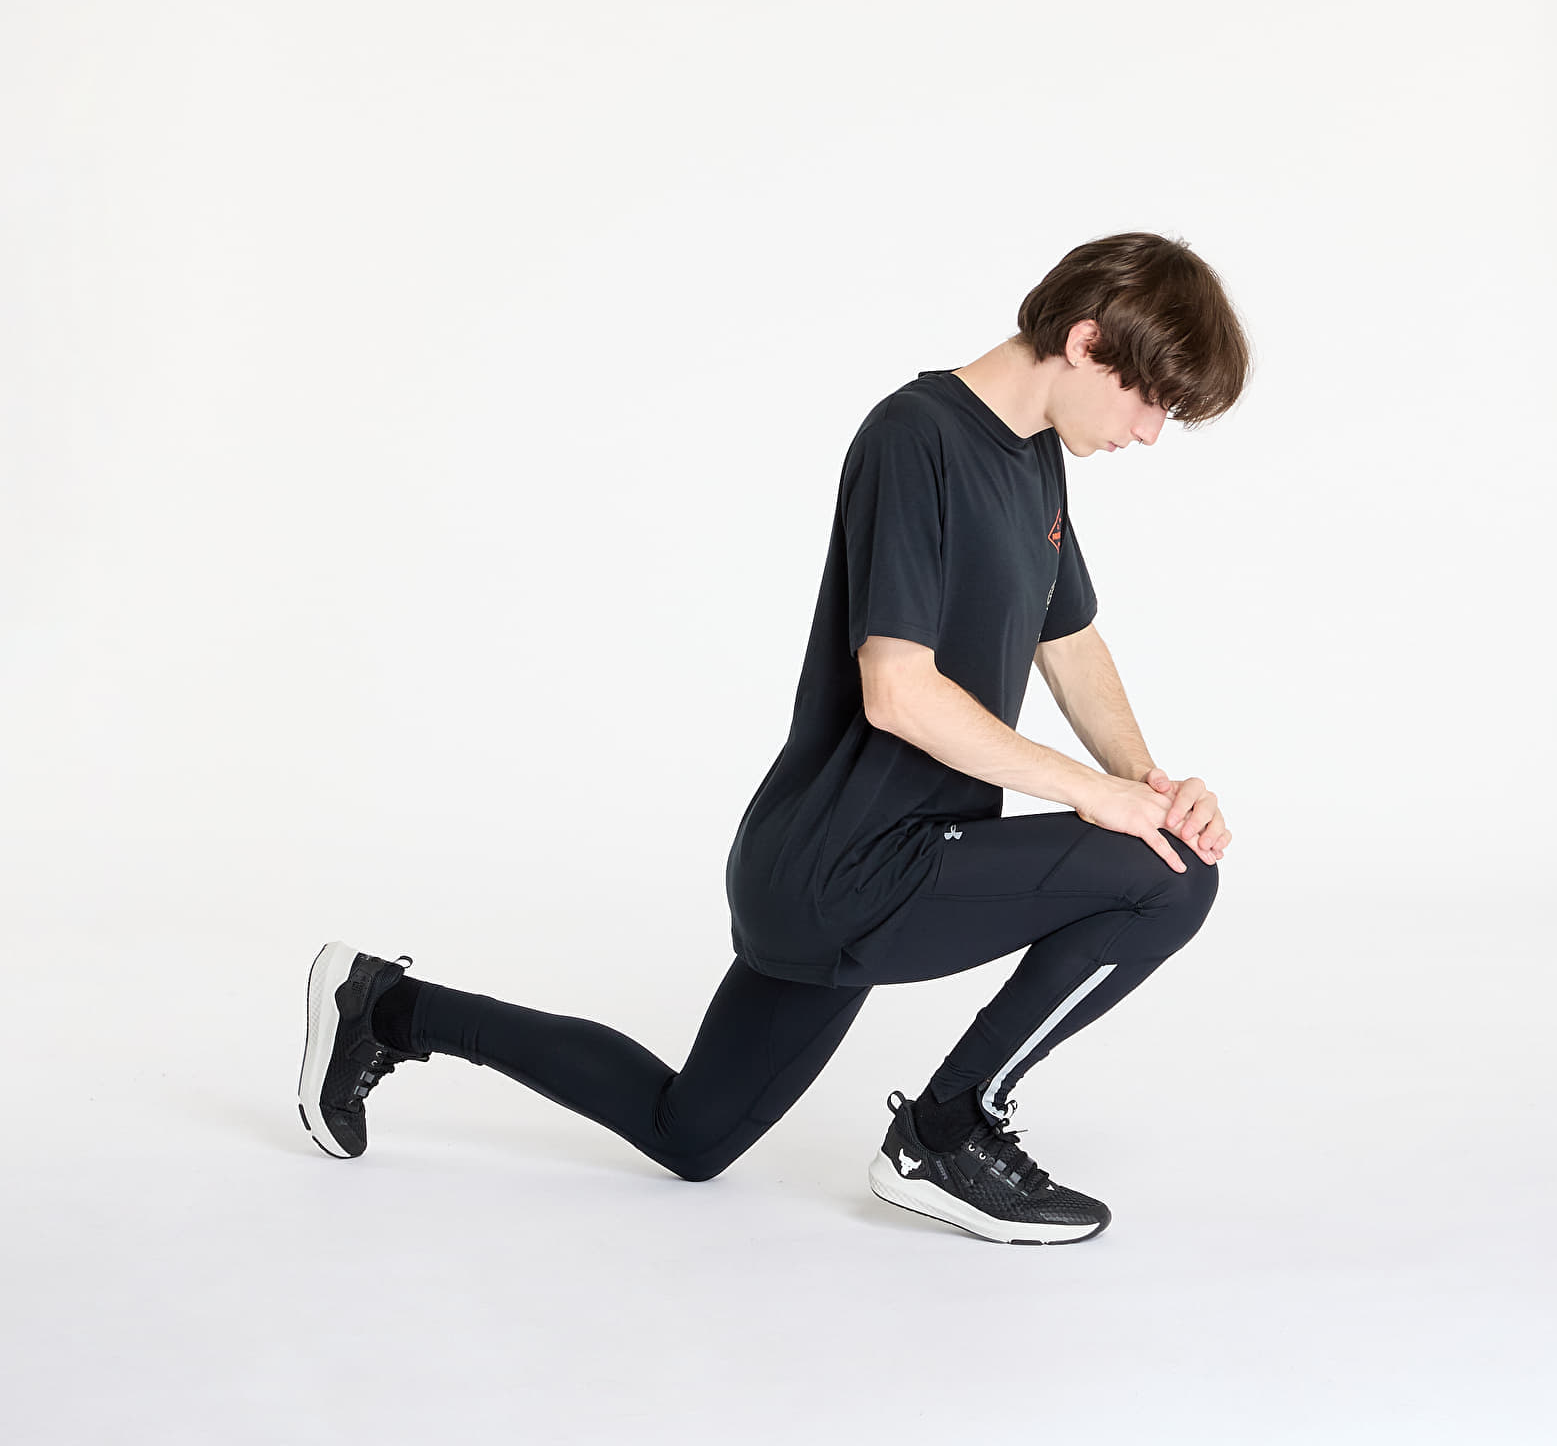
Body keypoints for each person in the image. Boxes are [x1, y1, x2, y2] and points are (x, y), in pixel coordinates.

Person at [297, 230, 1249, 1245]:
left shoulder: (1034, 457)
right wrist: (1094, 796)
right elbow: (897, 693)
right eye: (1149, 399)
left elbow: (1068, 636)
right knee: (1172, 878)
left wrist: (1146, 782)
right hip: (850, 863)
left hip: (874, 858)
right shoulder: (915, 436)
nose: (1150, 433)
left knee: (690, 1134)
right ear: (1086, 341)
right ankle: (946, 1133)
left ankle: (384, 1006)